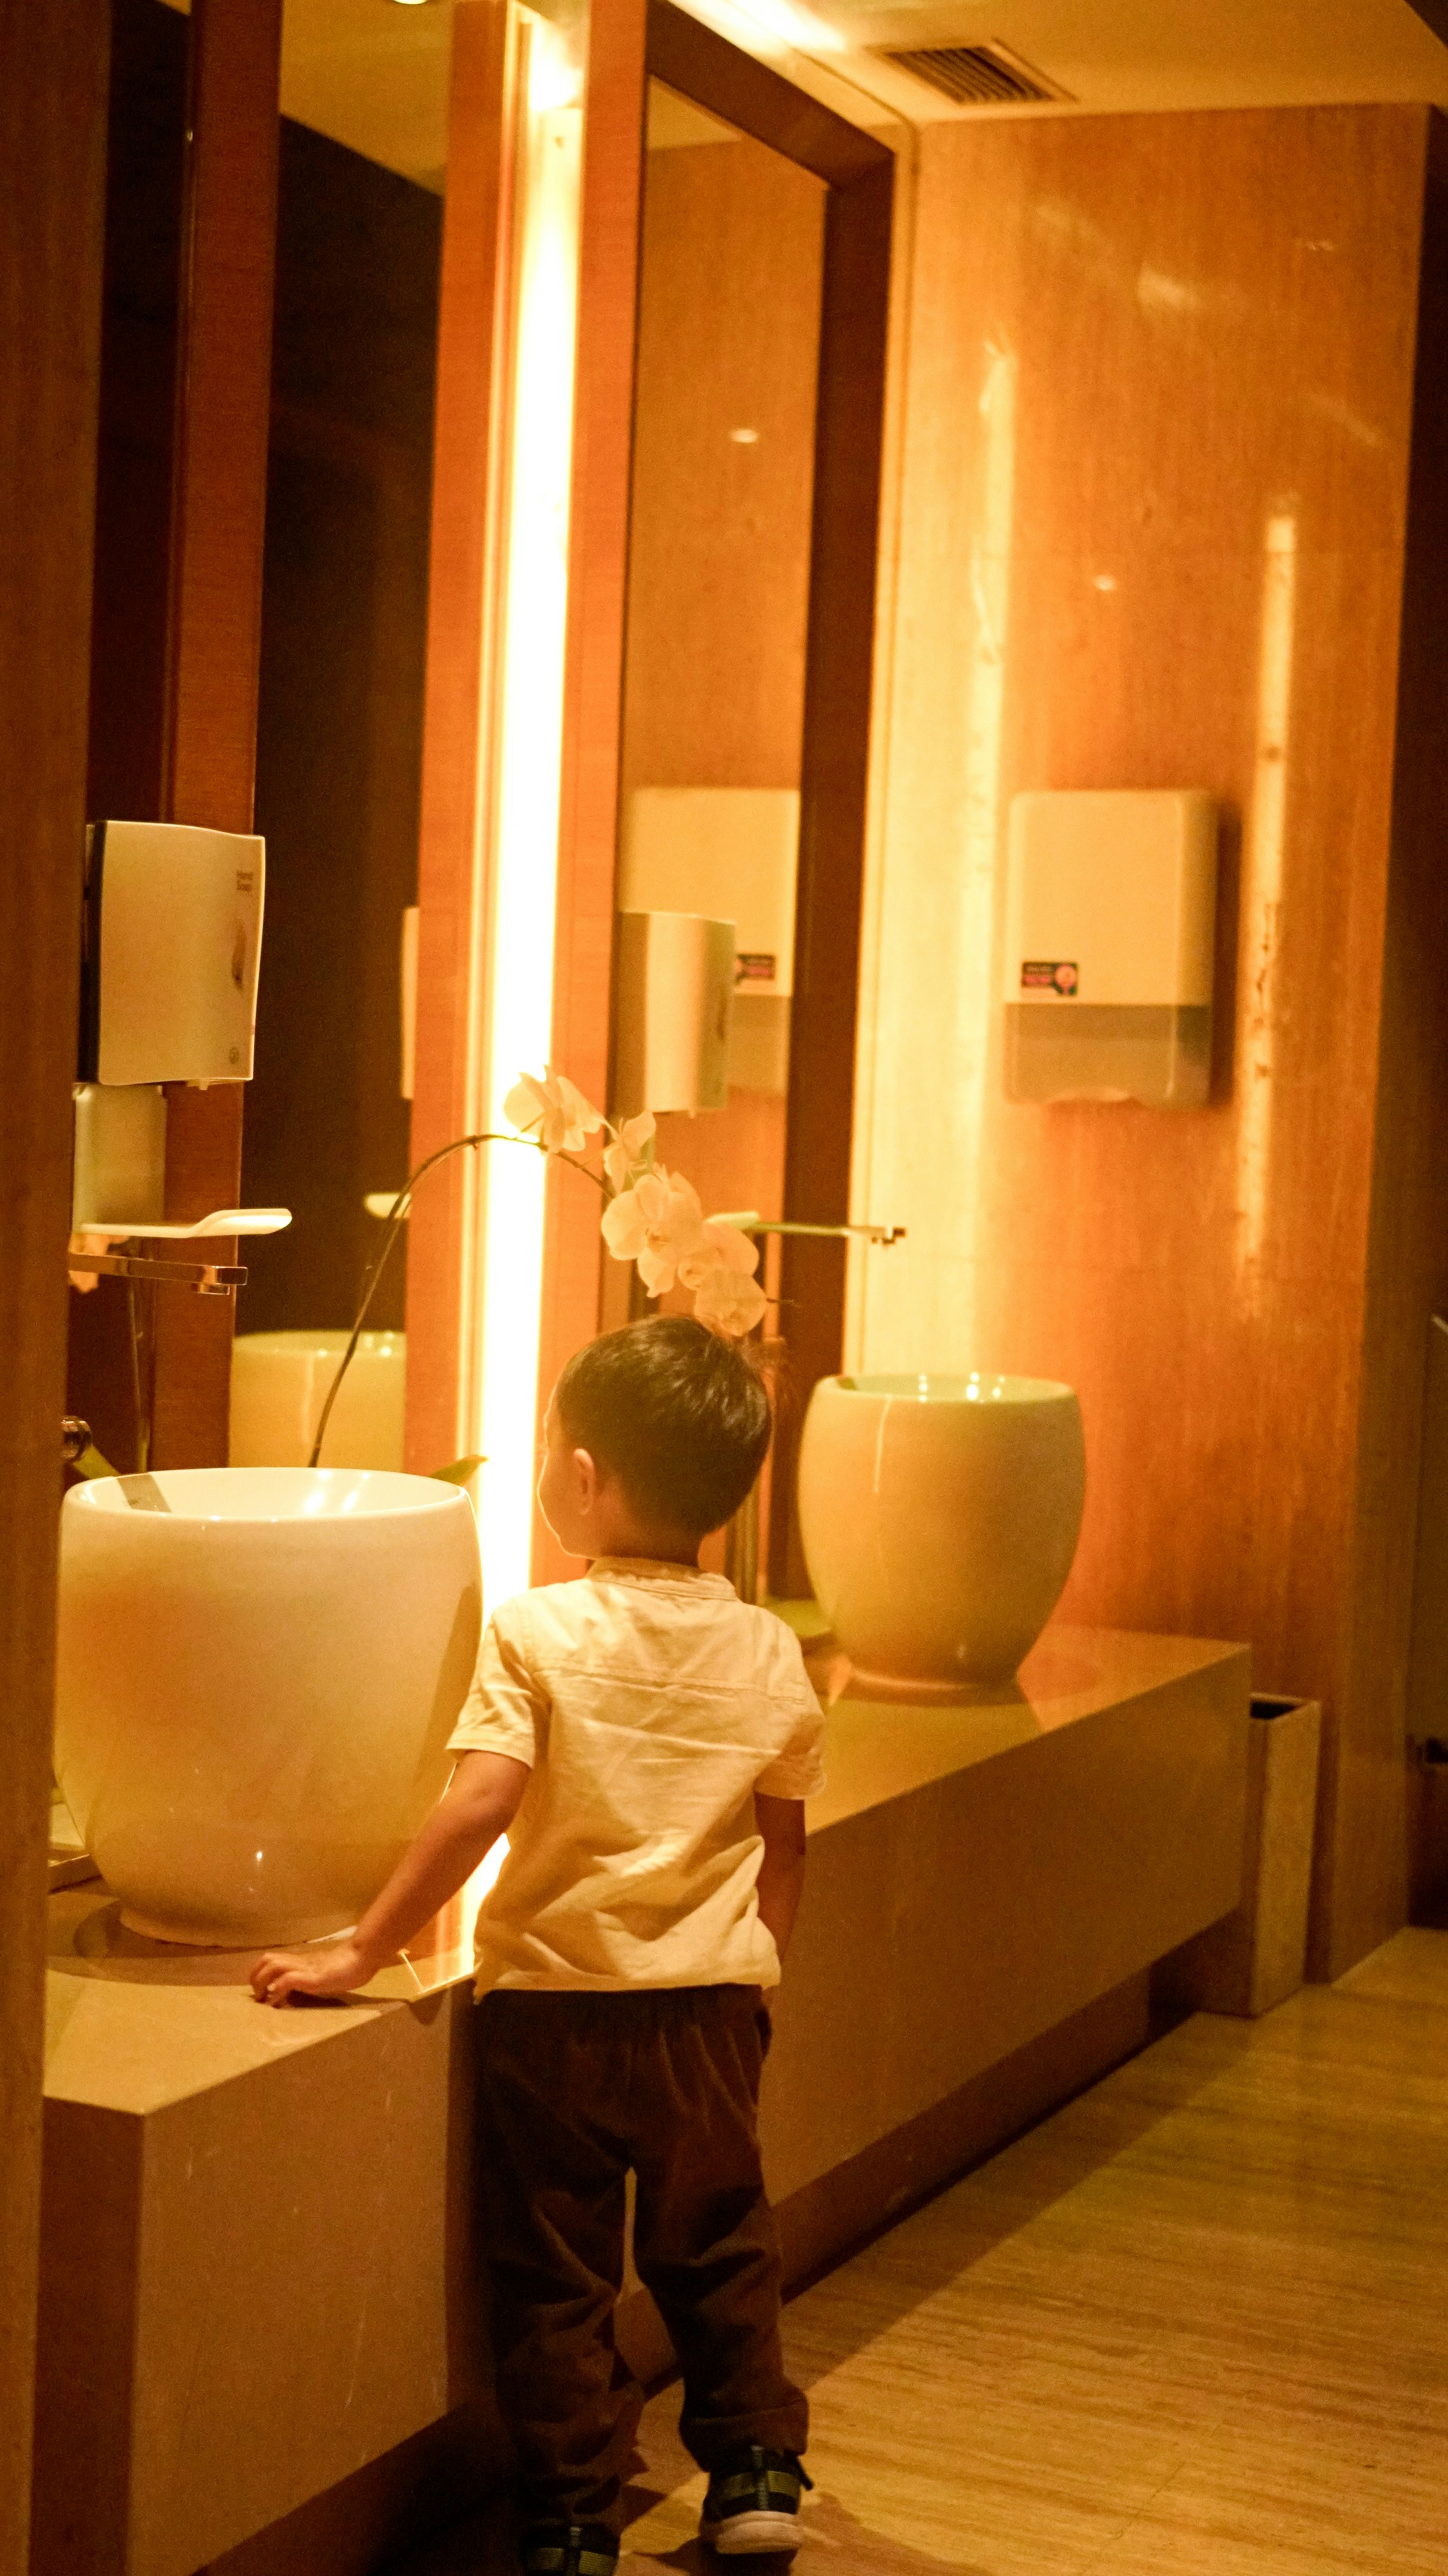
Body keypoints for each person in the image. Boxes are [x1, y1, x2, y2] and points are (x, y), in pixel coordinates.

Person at [252, 1315, 825, 2576]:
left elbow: (477, 1805)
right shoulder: (771, 1653)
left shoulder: (537, 1633)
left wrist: (360, 1950)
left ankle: (573, 2515)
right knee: (720, 2242)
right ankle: (754, 2470)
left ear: (582, 1476)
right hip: (709, 2013)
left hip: (555, 2012)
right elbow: (782, 1851)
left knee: (555, 2272)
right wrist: (755, 1975)